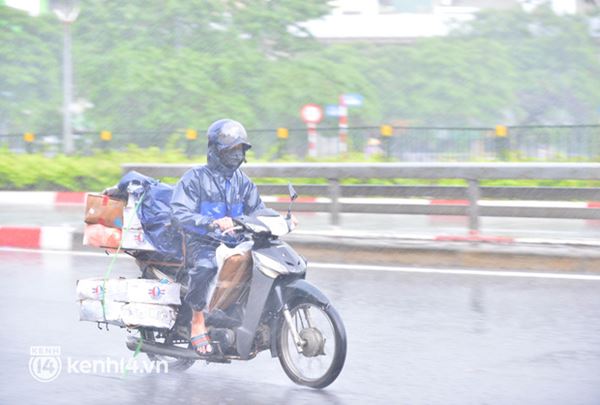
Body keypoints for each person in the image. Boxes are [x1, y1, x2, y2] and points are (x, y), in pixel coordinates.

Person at [170, 119, 265, 355]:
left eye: (240, 150)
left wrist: (281, 220)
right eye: (231, 149)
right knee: (206, 265)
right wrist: (211, 223)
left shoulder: (243, 182)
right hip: (202, 241)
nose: (236, 155)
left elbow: (258, 210)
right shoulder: (194, 178)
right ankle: (197, 320)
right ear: (216, 150)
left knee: (264, 260)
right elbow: (179, 213)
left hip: (235, 241)